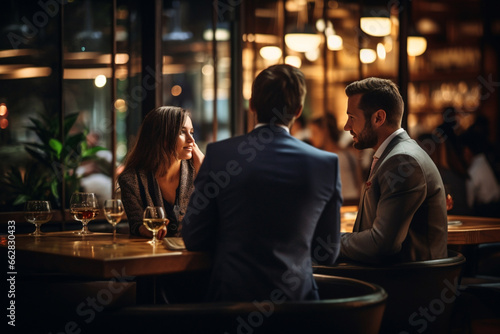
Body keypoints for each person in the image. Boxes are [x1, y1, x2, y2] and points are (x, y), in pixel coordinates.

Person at [182, 64, 342, 302]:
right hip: (299, 307)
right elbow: (327, 253)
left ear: (252, 106)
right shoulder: (325, 164)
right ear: (298, 111)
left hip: (231, 303)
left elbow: (194, 237)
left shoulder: (219, 155)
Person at [340, 77, 448, 264]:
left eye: (352, 118)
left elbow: (381, 244)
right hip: (394, 276)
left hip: (404, 285)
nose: (346, 127)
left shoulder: (402, 160)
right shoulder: (395, 155)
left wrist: (327, 241)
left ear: (378, 118)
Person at [118, 106, 204, 239]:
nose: (191, 140)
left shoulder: (198, 171)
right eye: (182, 132)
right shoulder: (131, 179)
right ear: (160, 136)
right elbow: (136, 223)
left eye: (191, 132)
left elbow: (221, 213)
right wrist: (146, 229)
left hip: (196, 254)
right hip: (153, 255)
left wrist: (204, 169)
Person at [308, 113, 363, 203]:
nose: (312, 137)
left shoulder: (328, 158)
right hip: (354, 201)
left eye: (315, 132)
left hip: (343, 203)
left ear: (325, 132)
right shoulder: (349, 153)